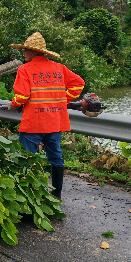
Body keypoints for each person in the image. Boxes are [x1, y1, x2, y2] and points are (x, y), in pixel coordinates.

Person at [8, 32, 85, 199]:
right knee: (55, 156)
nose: (23, 54)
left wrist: (14, 104)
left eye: (25, 51)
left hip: (34, 122)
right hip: (55, 121)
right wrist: (64, 99)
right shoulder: (59, 68)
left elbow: (22, 96)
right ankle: (56, 194)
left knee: (26, 157)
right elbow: (79, 83)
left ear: (33, 52)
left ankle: (27, 194)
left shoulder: (25, 69)